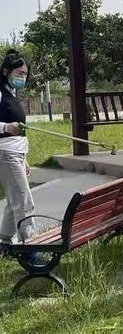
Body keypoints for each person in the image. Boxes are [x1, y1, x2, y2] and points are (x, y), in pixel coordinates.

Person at [0, 50, 40, 264]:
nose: (22, 77)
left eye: (25, 74)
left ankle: (4, 243)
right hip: (4, 153)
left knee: (13, 201)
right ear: (6, 71)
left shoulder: (12, 94)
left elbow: (21, 131)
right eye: (18, 72)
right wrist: (6, 126)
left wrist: (24, 158)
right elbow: (10, 129)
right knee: (24, 202)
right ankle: (30, 248)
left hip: (15, 154)